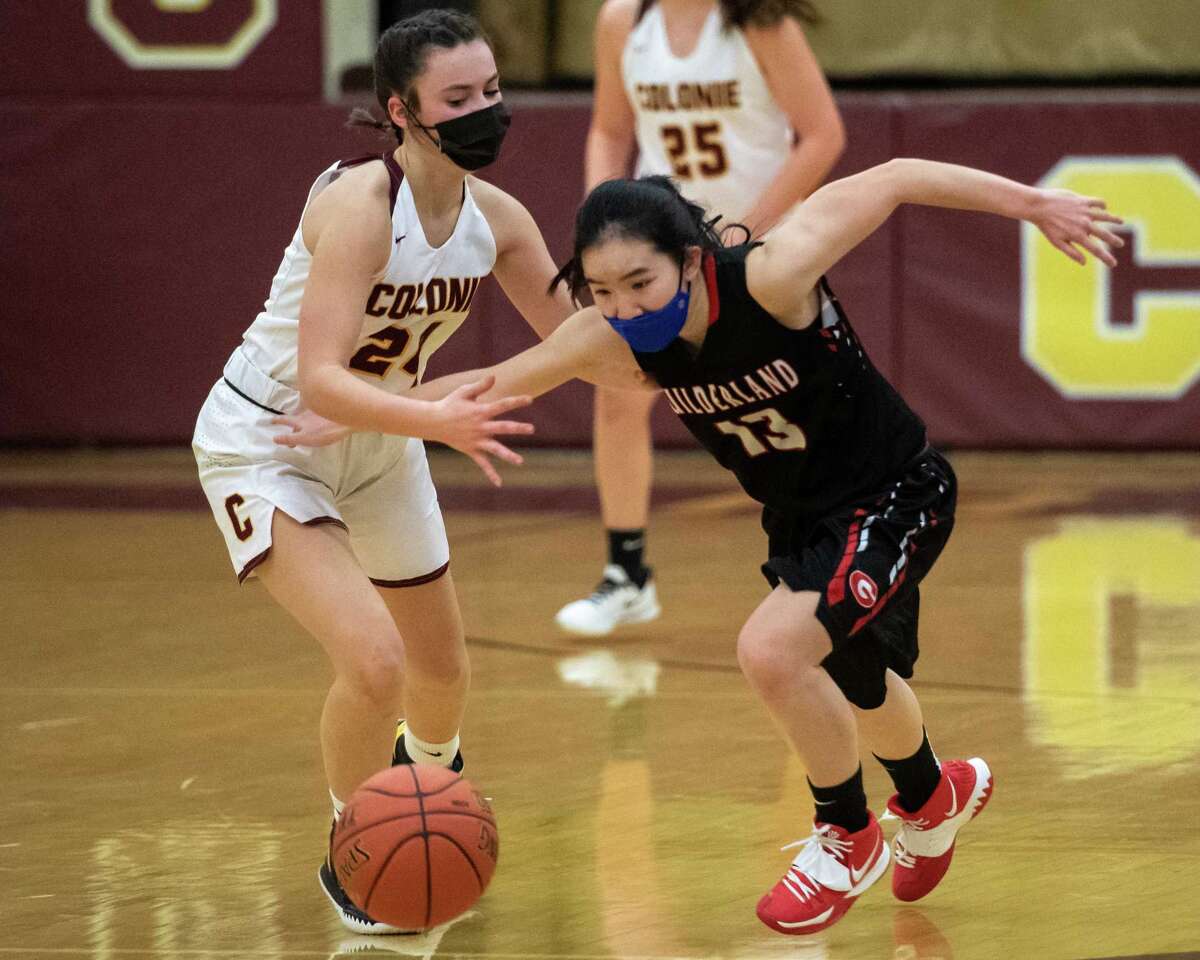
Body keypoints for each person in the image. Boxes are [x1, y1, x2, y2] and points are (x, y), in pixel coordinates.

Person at [279, 157, 1121, 933]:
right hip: (800, 517)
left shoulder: (774, 276)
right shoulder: (609, 335)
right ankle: (933, 794)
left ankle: (847, 833)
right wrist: (354, 408)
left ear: (688, 259)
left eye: (640, 282)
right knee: (856, 674)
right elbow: (499, 381)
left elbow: (896, 176)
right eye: (601, 290)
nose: (624, 308)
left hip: (894, 493)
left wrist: (1035, 203)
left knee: (770, 650)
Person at [192, 9, 574, 935]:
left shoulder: (499, 221)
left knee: (441, 673)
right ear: (402, 110)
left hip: (380, 435)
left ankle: (427, 794)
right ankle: (357, 845)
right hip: (270, 439)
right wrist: (436, 413)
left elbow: (582, 341)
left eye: (492, 92)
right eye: (459, 98)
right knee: (374, 661)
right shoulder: (362, 206)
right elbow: (322, 379)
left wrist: (681, 313)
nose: (485, 111)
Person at [556, 0, 845, 637]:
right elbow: (609, 129)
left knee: (798, 405)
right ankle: (626, 574)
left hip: (759, 250)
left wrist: (746, 233)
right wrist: (602, 227)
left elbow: (822, 134)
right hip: (661, 256)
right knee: (618, 400)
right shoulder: (623, 22)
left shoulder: (756, 20)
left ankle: (830, 558)